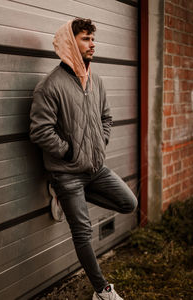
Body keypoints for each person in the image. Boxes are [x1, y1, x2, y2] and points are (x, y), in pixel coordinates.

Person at [30, 17, 138, 300]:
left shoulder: (96, 80)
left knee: (129, 203)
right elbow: (40, 131)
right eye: (86, 38)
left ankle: (64, 197)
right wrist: (70, 152)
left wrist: (99, 144)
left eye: (93, 38)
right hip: (66, 172)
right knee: (83, 231)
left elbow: (107, 117)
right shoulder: (50, 86)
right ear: (70, 42)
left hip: (95, 169)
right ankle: (102, 291)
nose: (93, 44)